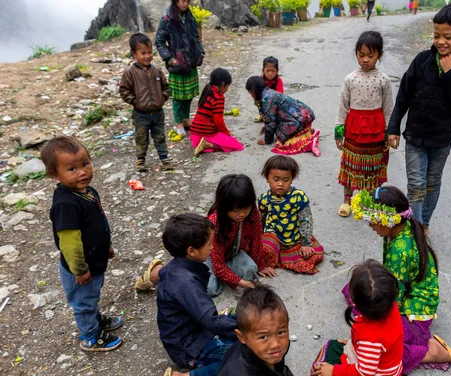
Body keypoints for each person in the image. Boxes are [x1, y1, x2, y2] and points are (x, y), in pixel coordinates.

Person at [349, 186, 451, 374]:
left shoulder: (401, 250)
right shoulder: (400, 229)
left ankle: (431, 352)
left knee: (381, 355)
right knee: (358, 290)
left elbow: (392, 296)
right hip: (403, 292)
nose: (369, 224)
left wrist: (368, 329)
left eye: (371, 220)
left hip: (413, 311)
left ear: (388, 220)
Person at [386, 3, 451, 235]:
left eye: (448, 36)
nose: (441, 42)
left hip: (442, 140)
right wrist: (393, 127)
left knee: (432, 183)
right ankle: (414, 229)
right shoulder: (422, 60)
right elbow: (404, 94)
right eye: (437, 35)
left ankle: (424, 222)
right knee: (416, 185)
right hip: (415, 136)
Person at [40, 137, 122, 352]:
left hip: (94, 260)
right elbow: (69, 243)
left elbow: (98, 223)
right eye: (72, 169)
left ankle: (94, 320)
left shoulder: (88, 192)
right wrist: (80, 269)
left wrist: (107, 247)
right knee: (83, 303)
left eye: (85, 164)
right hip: (80, 269)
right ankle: (90, 336)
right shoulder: (65, 203)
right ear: (54, 175)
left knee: (91, 297)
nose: (82, 172)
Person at [133, 174, 276, 295]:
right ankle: (159, 272)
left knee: (252, 269)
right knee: (210, 289)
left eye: (246, 208)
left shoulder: (252, 213)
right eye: (236, 210)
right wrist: (240, 282)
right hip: (207, 257)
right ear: (224, 207)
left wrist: (261, 264)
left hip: (232, 254)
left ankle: (217, 277)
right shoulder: (215, 222)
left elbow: (256, 239)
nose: (242, 214)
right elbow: (218, 264)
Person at [155, 213, 238, 376]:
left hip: (194, 326)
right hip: (187, 344)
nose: (212, 246)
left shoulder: (180, 267)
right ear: (191, 251)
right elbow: (211, 321)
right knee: (240, 360)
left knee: (242, 319)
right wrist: (243, 332)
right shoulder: (185, 282)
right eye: (209, 243)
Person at [309, 260, 411, 376]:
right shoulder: (391, 306)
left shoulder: (369, 335)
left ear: (354, 302)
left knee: (326, 356)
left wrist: (334, 372)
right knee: (336, 346)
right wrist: (355, 345)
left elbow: (365, 372)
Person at [336, 31, 393, 218]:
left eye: (371, 55)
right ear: (356, 54)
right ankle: (347, 200)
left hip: (376, 131)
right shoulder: (350, 79)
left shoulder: (384, 80)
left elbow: (388, 108)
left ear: (380, 55)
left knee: (373, 166)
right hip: (353, 130)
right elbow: (343, 106)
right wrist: (339, 131)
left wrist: (389, 133)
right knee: (350, 164)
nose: (365, 60)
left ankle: (368, 200)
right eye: (361, 55)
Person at [212, 284, 303, 376]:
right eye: (263, 337)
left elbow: (278, 365)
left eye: (281, 332)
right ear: (241, 337)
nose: (275, 344)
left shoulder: (271, 350)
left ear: (287, 323)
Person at [258, 155, 324, 275]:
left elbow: (306, 220)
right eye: (276, 179)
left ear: (292, 179)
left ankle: (279, 256)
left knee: (312, 254)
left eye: (286, 180)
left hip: (294, 237)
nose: (280, 184)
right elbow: (260, 221)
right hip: (273, 235)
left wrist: (305, 243)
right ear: (267, 178)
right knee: (264, 250)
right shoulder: (263, 199)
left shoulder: (298, 196)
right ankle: (271, 255)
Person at [119, 33, 173, 172]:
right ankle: (140, 160)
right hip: (140, 114)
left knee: (160, 137)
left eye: (149, 52)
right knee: (141, 139)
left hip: (157, 113)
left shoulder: (156, 70)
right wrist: (135, 101)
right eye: (143, 53)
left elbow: (165, 87)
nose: (147, 56)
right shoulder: (130, 72)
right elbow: (124, 90)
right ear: (134, 54)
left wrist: (163, 97)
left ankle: (164, 159)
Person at [155, 0, 205, 138]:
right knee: (178, 97)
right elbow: (159, 41)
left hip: (191, 63)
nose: (186, 3)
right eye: (183, 1)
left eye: (188, 1)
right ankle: (178, 123)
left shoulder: (190, 17)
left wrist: (201, 53)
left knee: (188, 95)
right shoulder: (167, 19)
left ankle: (185, 119)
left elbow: (196, 37)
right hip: (177, 65)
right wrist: (170, 59)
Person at [246, 76, 321, 157]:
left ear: (253, 91)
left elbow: (270, 122)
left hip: (300, 119)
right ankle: (305, 131)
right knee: (276, 127)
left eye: (250, 92)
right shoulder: (269, 92)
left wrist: (267, 140)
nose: (251, 96)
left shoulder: (266, 100)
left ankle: (307, 141)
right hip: (305, 114)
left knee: (280, 135)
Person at [189, 68, 244, 156]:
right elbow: (218, 121)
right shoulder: (218, 97)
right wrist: (227, 134)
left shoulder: (208, 90)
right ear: (223, 84)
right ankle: (208, 145)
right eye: (227, 86)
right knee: (237, 146)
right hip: (207, 132)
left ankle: (204, 145)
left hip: (195, 135)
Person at [255, 56, 285, 123]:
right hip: (264, 100)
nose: (270, 73)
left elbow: (279, 96)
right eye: (267, 71)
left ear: (277, 71)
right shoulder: (260, 80)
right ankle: (262, 115)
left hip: (276, 99)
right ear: (263, 70)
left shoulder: (279, 81)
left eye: (273, 71)